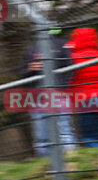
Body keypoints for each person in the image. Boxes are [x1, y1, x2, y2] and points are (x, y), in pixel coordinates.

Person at [21, 29, 78, 157]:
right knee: (42, 135)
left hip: (58, 95)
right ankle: (47, 163)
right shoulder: (31, 48)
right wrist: (30, 69)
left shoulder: (62, 45)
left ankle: (72, 159)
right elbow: (23, 74)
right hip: (37, 97)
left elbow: (70, 69)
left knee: (63, 130)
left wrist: (62, 88)